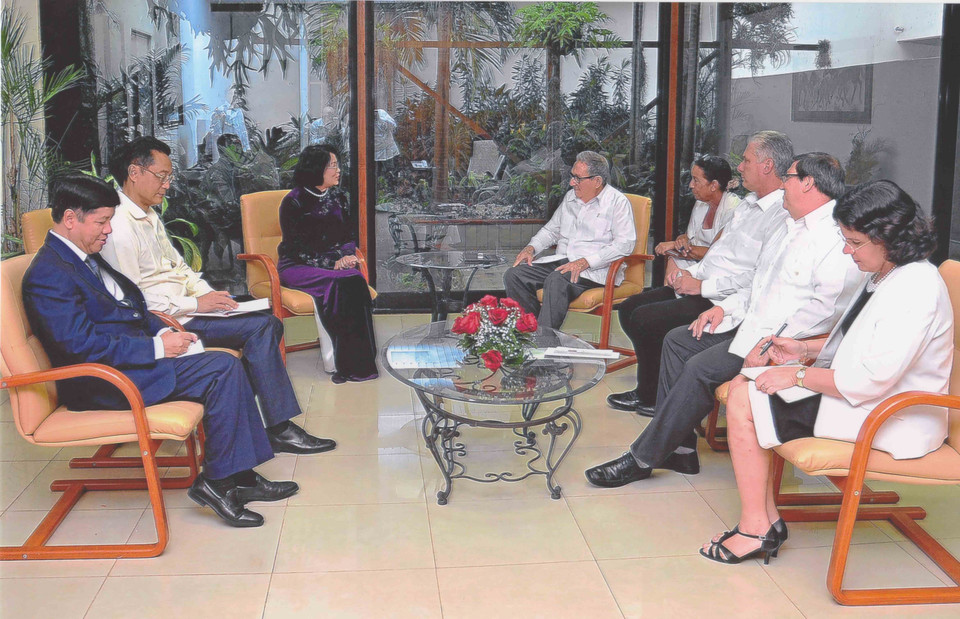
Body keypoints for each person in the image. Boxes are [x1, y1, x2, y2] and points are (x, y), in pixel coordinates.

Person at [22, 175, 300, 528]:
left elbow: (130, 308)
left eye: (109, 220)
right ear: (71, 218)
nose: (108, 230)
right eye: (102, 221)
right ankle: (217, 483)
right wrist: (156, 346)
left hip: (126, 362)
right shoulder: (49, 273)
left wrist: (166, 331)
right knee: (221, 368)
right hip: (102, 381)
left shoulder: (81, 256)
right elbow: (81, 345)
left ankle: (238, 477)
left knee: (227, 364)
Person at [700, 180, 952, 564]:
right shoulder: (888, 271)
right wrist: (804, 349)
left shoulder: (915, 287)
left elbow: (870, 378)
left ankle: (757, 528)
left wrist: (796, 376)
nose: (847, 252)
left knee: (745, 394)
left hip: (896, 414)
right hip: (870, 398)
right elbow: (861, 344)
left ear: (887, 236)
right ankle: (762, 521)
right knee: (741, 385)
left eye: (853, 242)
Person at [585, 152, 866, 487]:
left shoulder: (835, 240)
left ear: (809, 184)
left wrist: (768, 344)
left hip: (777, 345)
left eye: (788, 177)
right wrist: (724, 308)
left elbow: (823, 314)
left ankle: (642, 458)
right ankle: (681, 451)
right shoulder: (788, 226)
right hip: (749, 324)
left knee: (700, 367)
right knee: (678, 341)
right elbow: (757, 284)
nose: (783, 185)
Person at [101, 136, 335, 455]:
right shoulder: (118, 227)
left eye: (169, 177)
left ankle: (260, 421)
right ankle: (274, 427)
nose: (168, 185)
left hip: (190, 308)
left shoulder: (147, 215)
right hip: (170, 321)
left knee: (265, 323)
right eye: (162, 176)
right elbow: (132, 302)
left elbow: (180, 269)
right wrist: (196, 304)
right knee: (263, 327)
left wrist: (212, 297)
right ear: (134, 172)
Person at [609, 134, 792, 414]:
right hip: (701, 282)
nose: (739, 168)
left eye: (745, 160)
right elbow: (718, 251)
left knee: (647, 319)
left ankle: (657, 396)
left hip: (722, 297)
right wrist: (687, 274)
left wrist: (701, 286)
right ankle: (651, 388)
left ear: (767, 166)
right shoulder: (748, 204)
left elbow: (758, 277)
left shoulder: (780, 214)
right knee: (630, 307)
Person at [277, 145, 378, 383]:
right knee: (348, 281)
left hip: (335, 266)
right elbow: (296, 247)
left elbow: (347, 237)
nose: (338, 170)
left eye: (336, 165)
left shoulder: (339, 198)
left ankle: (358, 363)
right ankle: (348, 364)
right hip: (298, 266)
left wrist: (347, 257)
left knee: (352, 278)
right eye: (332, 165)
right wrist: (333, 263)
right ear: (317, 169)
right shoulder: (293, 202)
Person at [503, 151, 636, 330]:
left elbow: (625, 244)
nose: (572, 182)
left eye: (578, 178)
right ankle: (530, 332)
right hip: (564, 262)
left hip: (595, 269)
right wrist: (531, 248)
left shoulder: (617, 202)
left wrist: (586, 262)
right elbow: (551, 230)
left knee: (557, 280)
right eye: (572, 176)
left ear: (597, 181)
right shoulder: (570, 198)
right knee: (514, 275)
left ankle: (545, 343)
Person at [656, 155, 741, 284]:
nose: (691, 185)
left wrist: (674, 245)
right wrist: (681, 241)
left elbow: (716, 253)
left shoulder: (734, 208)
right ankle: (670, 296)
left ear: (713, 185)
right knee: (673, 261)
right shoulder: (701, 203)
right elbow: (689, 238)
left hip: (717, 273)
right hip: (696, 263)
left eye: (696, 180)